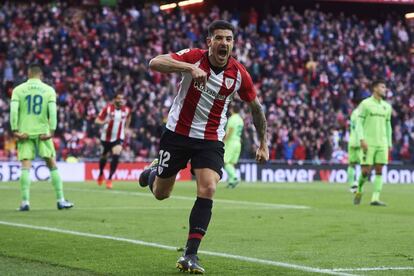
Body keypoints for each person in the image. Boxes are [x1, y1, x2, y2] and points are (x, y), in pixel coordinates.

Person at [139, 20, 269, 274]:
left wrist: (263, 143)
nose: (224, 43)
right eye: (219, 38)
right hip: (177, 134)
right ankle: (153, 173)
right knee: (161, 193)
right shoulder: (194, 57)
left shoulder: (239, 73)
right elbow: (155, 62)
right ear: (209, 41)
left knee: (208, 187)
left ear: (233, 43)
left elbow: (256, 109)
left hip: (210, 139)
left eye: (229, 39)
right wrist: (187, 68)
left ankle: (191, 254)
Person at [10, 63, 74, 211]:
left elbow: (13, 111)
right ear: (41, 75)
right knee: (52, 164)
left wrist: (15, 130)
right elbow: (53, 112)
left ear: (28, 74)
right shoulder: (48, 90)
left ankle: (25, 202)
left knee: (26, 167)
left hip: (25, 131)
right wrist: (52, 131)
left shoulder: (18, 90)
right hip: (43, 132)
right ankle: (60, 200)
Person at [354, 79, 392, 206]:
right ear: (375, 88)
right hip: (368, 142)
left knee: (380, 170)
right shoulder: (365, 104)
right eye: (382, 87)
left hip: (382, 143)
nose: (384, 89)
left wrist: (389, 142)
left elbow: (388, 126)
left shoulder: (387, 106)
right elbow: (358, 123)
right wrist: (361, 139)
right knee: (365, 171)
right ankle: (359, 189)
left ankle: (375, 198)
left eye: (385, 87)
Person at [95, 93, 131, 189]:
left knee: (116, 155)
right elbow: (97, 120)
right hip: (106, 138)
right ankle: (101, 173)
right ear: (114, 99)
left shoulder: (126, 110)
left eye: (122, 99)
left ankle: (110, 179)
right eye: (119, 98)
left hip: (118, 138)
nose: (120, 100)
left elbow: (129, 117)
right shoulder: (107, 109)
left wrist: (126, 128)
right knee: (104, 157)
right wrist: (104, 122)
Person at [347, 92, 370, 193]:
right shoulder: (362, 113)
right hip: (361, 141)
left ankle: (352, 185)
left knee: (351, 164)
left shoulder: (353, 113)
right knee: (365, 165)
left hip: (352, 141)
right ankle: (357, 183)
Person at [223, 104, 244, 188]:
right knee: (231, 163)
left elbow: (230, 130)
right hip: (238, 142)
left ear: (232, 109)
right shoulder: (240, 119)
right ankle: (231, 182)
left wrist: (224, 140)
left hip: (231, 142)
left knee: (225, 162)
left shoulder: (232, 119)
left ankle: (235, 177)